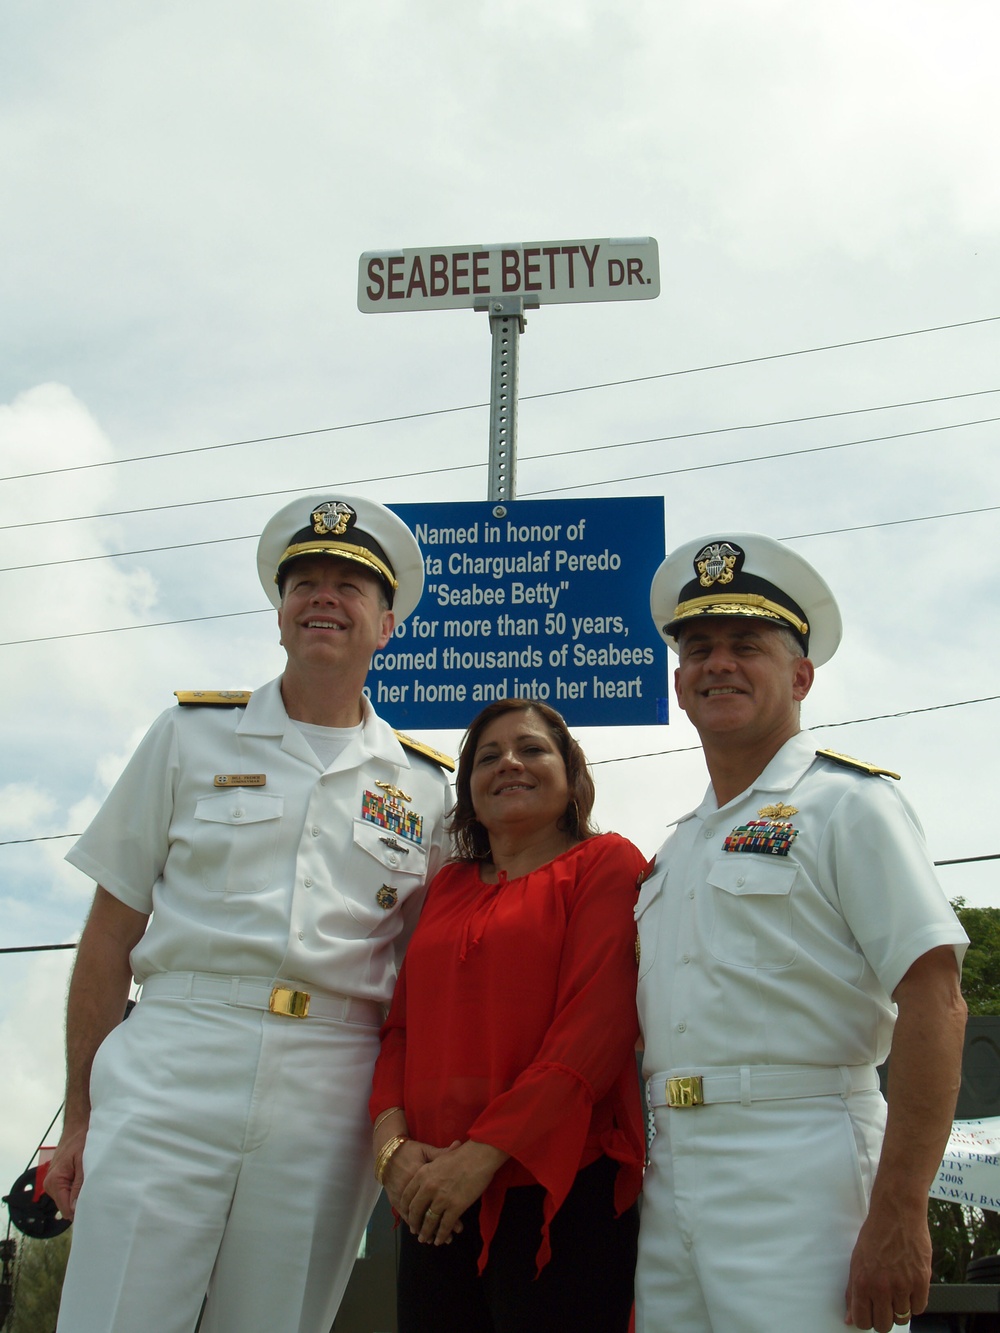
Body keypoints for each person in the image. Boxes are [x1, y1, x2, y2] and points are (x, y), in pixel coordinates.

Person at [46, 493, 453, 1333]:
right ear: (279, 616)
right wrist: (78, 1116)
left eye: (349, 585)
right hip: (173, 1057)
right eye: (304, 582)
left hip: (332, 1080)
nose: (323, 598)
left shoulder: (425, 788)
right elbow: (108, 938)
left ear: (386, 625)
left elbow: (425, 977)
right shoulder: (189, 735)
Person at [634, 532, 968, 1333]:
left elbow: (937, 1002)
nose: (718, 663)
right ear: (679, 683)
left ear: (801, 675)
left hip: (804, 1166)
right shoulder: (675, 847)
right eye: (700, 648)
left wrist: (899, 1209)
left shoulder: (850, 806)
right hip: (671, 1165)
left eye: (746, 645)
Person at [369, 698, 647, 1333]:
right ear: (467, 789)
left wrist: (480, 1158)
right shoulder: (446, 886)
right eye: (488, 757)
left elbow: (592, 1035)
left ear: (571, 774)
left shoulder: (607, 864)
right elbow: (401, 1029)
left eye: (532, 750)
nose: (509, 764)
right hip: (432, 1197)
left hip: (558, 1194)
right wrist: (393, 1150)